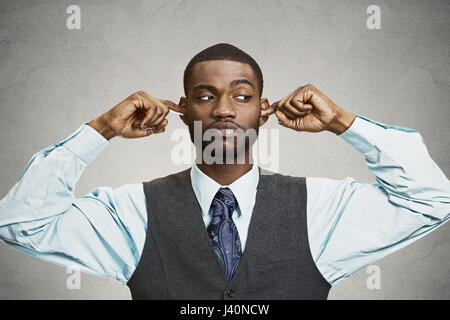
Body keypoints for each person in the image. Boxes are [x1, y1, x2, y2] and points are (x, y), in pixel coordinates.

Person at [0, 43, 448, 300]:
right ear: (182, 112)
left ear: (264, 111)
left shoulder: (321, 209)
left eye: (241, 95)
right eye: (205, 95)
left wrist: (341, 122)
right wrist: (99, 130)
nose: (223, 111)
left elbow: (432, 200)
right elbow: (21, 224)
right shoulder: (132, 212)